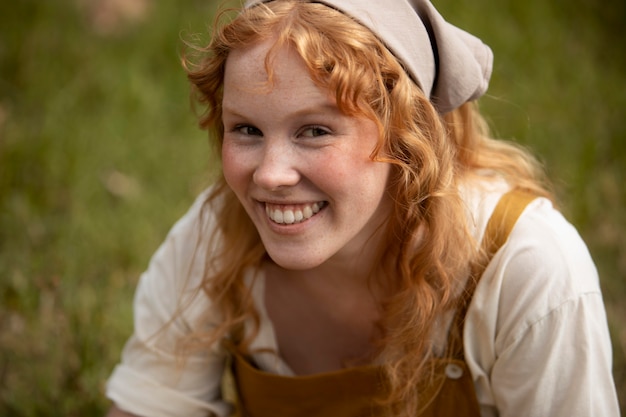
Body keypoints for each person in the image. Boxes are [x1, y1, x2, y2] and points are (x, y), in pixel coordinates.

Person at [105, 0, 620, 416]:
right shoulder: (220, 235)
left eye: (315, 131)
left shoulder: (524, 268)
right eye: (247, 129)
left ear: (407, 137)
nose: (268, 174)